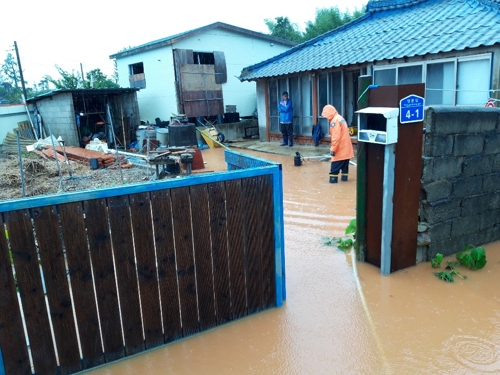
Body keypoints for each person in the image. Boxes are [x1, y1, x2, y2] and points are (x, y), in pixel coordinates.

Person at [321, 105, 354, 183]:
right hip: (346, 150)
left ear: (329, 113)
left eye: (326, 115)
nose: (326, 118)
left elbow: (336, 137)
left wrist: (333, 150)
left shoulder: (334, 121)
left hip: (340, 151)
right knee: (345, 172)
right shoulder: (340, 118)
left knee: (333, 172)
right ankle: (344, 187)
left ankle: (333, 188)